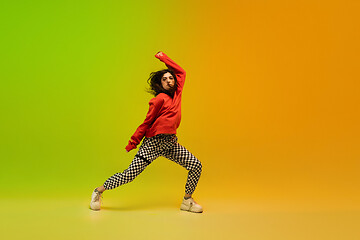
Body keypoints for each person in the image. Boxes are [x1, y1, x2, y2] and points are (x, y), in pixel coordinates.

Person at [90, 51, 203, 213]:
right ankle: (98, 191)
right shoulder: (158, 99)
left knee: (195, 166)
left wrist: (163, 58)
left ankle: (187, 201)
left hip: (170, 143)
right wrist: (133, 142)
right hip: (152, 144)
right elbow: (146, 122)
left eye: (171, 78)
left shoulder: (178, 95)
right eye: (165, 79)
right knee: (129, 175)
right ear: (160, 84)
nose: (169, 81)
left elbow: (182, 72)